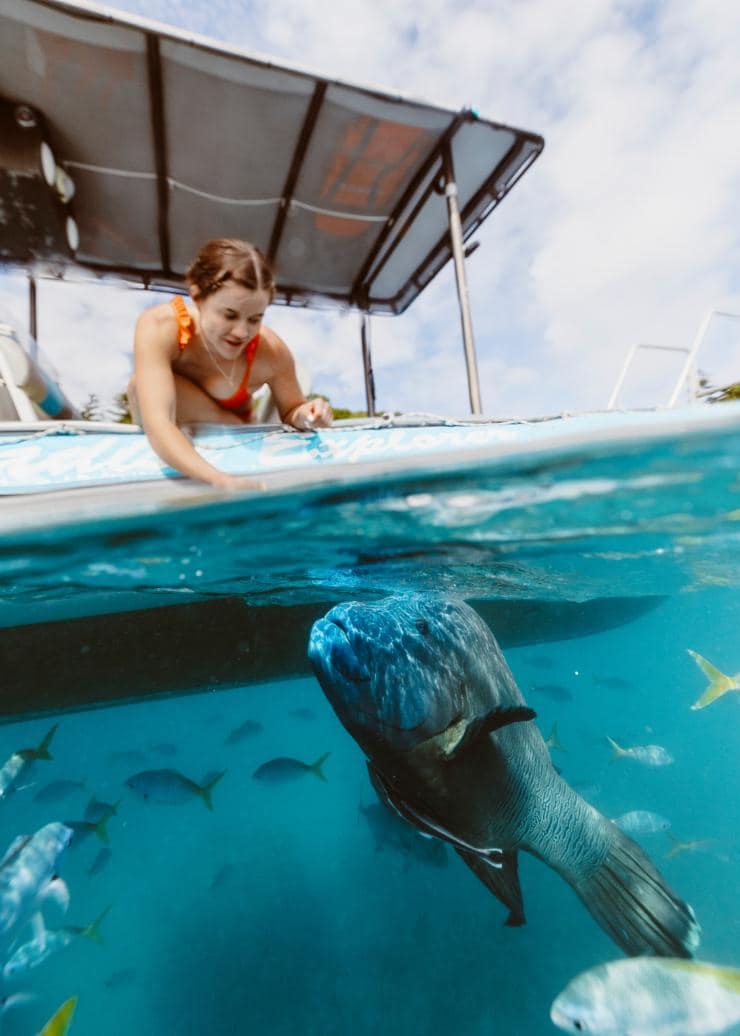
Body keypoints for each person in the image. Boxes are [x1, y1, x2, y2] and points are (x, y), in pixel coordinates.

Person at [128, 238, 332, 490]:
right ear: (197, 297)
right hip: (173, 422)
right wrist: (219, 479)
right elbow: (159, 422)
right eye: (229, 315)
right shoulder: (160, 327)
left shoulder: (272, 352)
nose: (242, 332)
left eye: (255, 319)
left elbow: (292, 412)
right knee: (140, 387)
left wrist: (310, 414)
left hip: (240, 426)